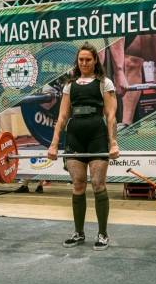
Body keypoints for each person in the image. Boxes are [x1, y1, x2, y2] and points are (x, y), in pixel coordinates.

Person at [47, 42, 119, 251]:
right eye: (81, 59)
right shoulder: (70, 85)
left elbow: (111, 115)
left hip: (97, 136)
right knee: (78, 184)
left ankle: (103, 234)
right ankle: (78, 233)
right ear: (77, 61)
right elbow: (62, 116)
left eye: (88, 59)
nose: (84, 63)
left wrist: (113, 142)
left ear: (95, 60)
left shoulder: (104, 83)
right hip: (75, 137)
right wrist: (54, 144)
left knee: (98, 184)